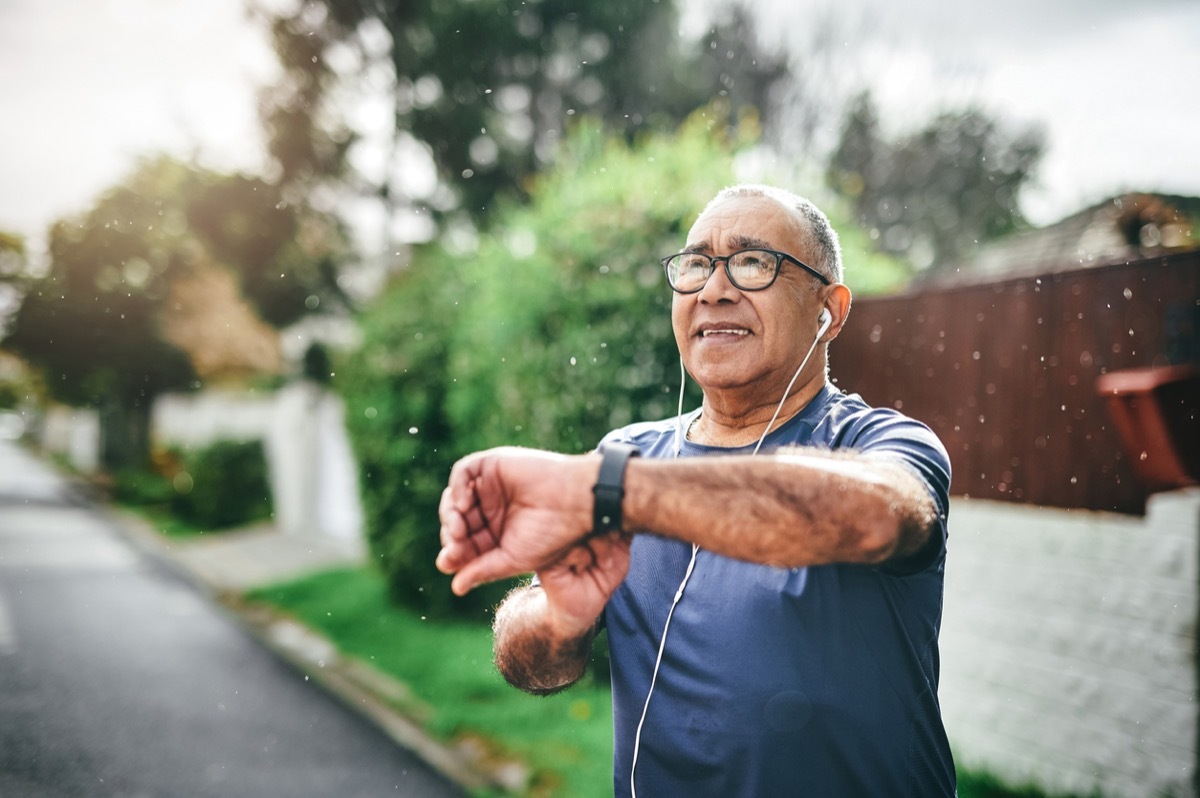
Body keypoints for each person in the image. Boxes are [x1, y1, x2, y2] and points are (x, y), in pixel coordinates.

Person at [437, 184, 956, 797]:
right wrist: (559, 619)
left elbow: (873, 514)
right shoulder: (628, 458)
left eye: (754, 262)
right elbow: (535, 667)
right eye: (696, 264)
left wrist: (614, 489)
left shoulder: (882, 445)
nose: (714, 289)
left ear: (831, 310)